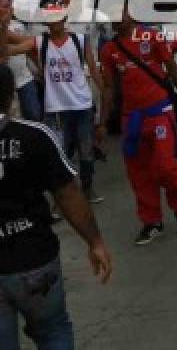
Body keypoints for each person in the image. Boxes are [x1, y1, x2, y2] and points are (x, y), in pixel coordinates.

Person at [0, 63, 113, 350]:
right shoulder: (35, 136)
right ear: (10, 96)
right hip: (35, 261)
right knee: (53, 331)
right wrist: (95, 241)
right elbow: (67, 195)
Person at [99, 9, 177, 246]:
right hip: (131, 119)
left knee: (166, 168)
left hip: (160, 112)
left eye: (119, 14)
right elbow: (109, 88)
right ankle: (152, 222)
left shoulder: (152, 37)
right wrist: (102, 122)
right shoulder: (109, 49)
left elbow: (172, 68)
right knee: (138, 173)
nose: (115, 20)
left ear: (131, 13)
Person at [34, 3, 104, 205]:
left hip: (81, 105)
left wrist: (105, 93)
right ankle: (63, 197)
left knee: (86, 150)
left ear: (64, 19)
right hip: (56, 109)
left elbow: (92, 67)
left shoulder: (79, 40)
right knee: (59, 153)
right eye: (50, 17)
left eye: (57, 17)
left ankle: (88, 188)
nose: (54, 21)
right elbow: (8, 48)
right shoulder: (40, 42)